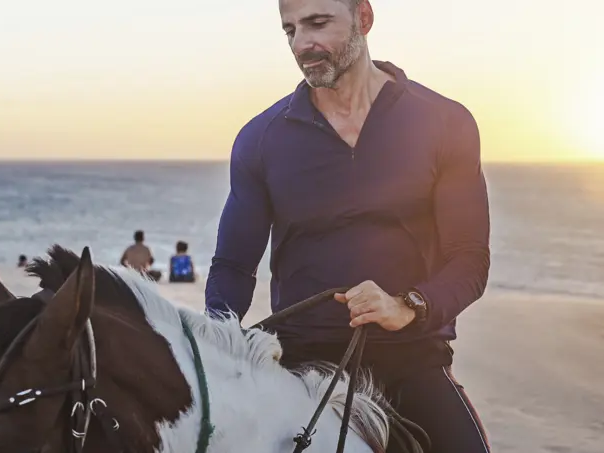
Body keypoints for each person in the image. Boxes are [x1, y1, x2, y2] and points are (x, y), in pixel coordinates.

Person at [204, 1, 491, 452]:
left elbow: (469, 259)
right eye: (290, 30)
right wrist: (215, 338)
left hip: (411, 359)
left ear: (364, 18)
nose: (302, 44)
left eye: (317, 24)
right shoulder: (261, 139)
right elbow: (233, 266)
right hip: (301, 363)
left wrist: (407, 305)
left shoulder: (445, 122)